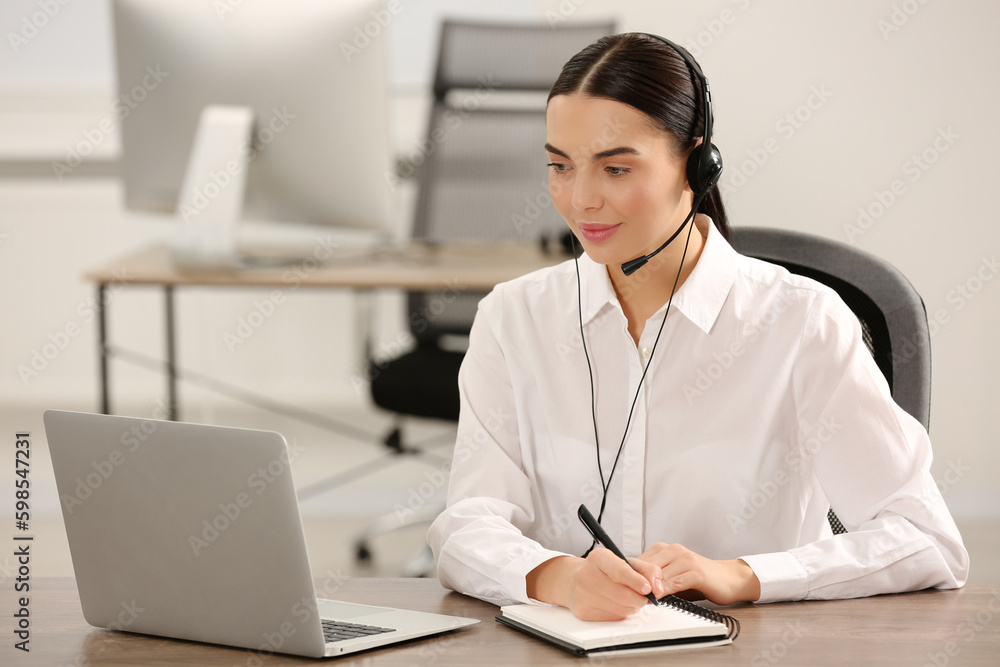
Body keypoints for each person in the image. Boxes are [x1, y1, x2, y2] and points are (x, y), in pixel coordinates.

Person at [426, 32, 968, 622]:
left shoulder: (802, 323)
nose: (580, 199)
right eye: (559, 165)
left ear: (697, 163)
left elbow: (925, 539)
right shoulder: (514, 318)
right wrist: (561, 578)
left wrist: (744, 575)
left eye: (615, 168)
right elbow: (467, 524)